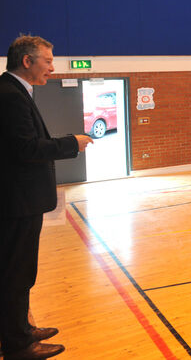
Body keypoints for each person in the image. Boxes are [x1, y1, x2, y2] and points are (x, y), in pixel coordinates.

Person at [1, 35, 93, 360]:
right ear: (27, 61)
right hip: (18, 202)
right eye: (48, 61)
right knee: (16, 273)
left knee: (19, 272)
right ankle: (18, 345)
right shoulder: (10, 96)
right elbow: (25, 149)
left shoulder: (16, 91)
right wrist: (72, 143)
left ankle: (20, 331)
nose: (52, 68)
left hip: (21, 201)